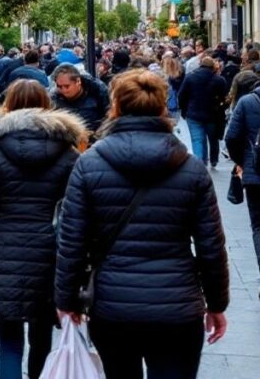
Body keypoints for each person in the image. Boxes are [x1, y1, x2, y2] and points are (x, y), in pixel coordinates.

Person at [55, 70, 228, 377]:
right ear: (163, 107)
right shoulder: (191, 169)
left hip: (114, 305)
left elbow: (72, 241)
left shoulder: (89, 165)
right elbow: (211, 246)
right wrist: (216, 303)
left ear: (116, 107)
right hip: (177, 305)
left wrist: (67, 298)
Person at [0, 81, 83, 379]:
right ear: (47, 105)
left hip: (2, 252)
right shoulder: (69, 155)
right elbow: (78, 210)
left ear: (9, 106)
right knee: (41, 337)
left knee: (9, 343)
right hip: (49, 254)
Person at [224, 70, 260, 299]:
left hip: (255, 173)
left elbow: (231, 137)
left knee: (258, 226)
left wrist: (241, 162)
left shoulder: (247, 102)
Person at [178, 55, 229, 168]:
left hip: (193, 113)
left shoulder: (190, 77)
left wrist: (183, 109)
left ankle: (200, 163)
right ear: (212, 67)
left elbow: (181, 95)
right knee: (213, 138)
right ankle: (214, 159)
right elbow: (225, 98)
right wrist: (221, 108)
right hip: (212, 114)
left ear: (200, 64)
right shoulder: (219, 80)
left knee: (197, 140)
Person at [49, 63, 110, 138]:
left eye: (67, 86)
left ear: (78, 81)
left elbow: (109, 117)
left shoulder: (99, 92)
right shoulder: (54, 98)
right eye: (59, 86)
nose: (63, 90)